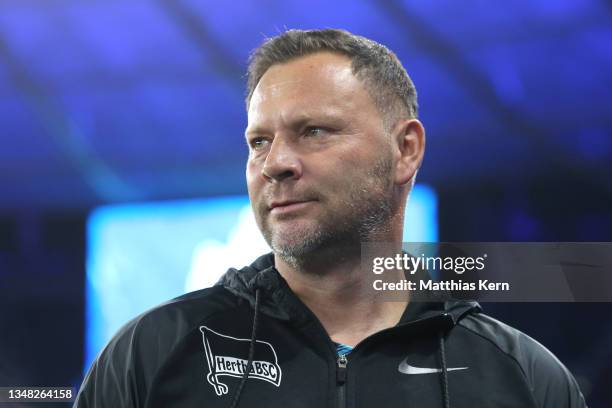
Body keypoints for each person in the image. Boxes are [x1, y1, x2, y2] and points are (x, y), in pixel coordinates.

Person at [74, 29, 587, 408]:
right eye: (259, 141)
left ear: (405, 150)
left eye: (315, 131)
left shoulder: (522, 376)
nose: (276, 163)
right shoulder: (151, 353)